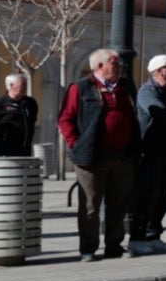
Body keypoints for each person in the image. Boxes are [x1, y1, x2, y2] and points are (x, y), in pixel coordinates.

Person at [57, 48, 139, 260]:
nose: (120, 67)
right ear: (100, 66)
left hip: (122, 155)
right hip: (92, 157)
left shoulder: (125, 87)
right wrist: (77, 144)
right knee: (90, 206)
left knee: (118, 204)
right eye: (115, 63)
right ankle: (88, 249)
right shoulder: (81, 88)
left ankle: (114, 247)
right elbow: (65, 119)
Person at [130, 55, 166, 254]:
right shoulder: (147, 92)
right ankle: (137, 238)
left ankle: (154, 235)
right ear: (158, 71)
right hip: (150, 152)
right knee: (147, 196)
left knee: (163, 196)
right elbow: (161, 114)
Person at [0, 71, 39, 158]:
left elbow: (32, 119)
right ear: (11, 85)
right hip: (4, 150)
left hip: (24, 149)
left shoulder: (30, 103)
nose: (26, 86)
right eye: (23, 84)